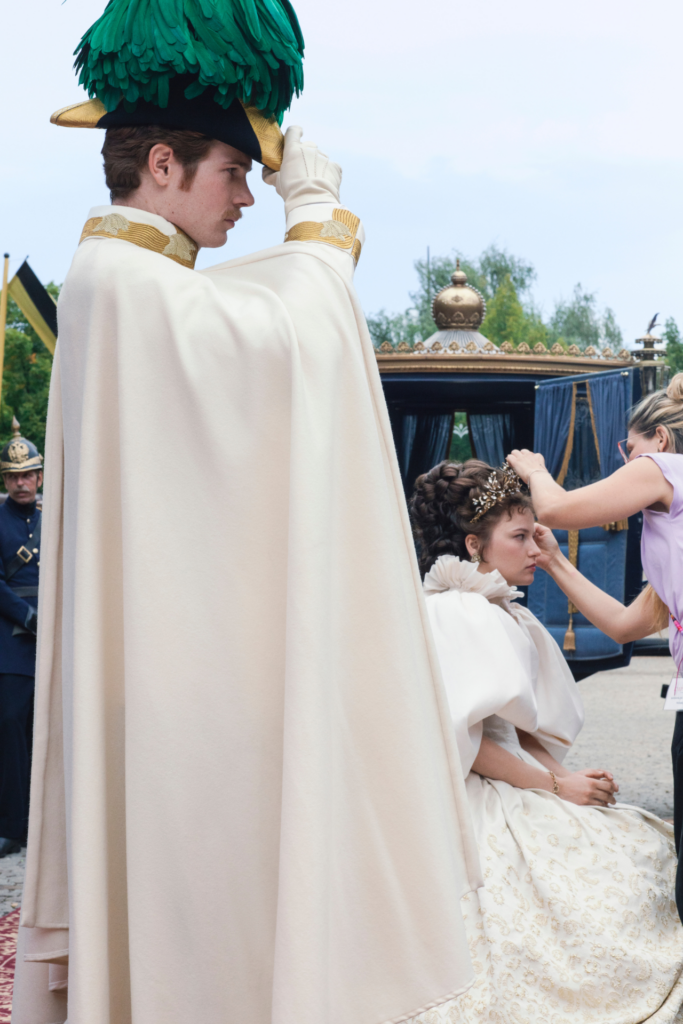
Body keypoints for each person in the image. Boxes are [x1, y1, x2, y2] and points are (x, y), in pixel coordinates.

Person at [12, 1, 480, 1022]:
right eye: (234, 173)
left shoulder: (135, 279)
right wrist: (314, 215)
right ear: (166, 165)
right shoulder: (129, 281)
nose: (244, 202)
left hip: (178, 693)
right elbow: (282, 347)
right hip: (187, 713)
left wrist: (304, 246)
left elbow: (251, 337)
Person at [409, 458, 683, 1020]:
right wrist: (557, 787)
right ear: (473, 544)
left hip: (512, 772)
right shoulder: (461, 612)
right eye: (520, 537)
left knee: (635, 850)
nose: (537, 548)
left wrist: (567, 779)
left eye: (538, 534)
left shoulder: (497, 609)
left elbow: (515, 726)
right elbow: (466, 736)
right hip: (478, 783)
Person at [507, 372, 683, 922]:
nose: (622, 465)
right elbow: (627, 624)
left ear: (661, 441)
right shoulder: (671, 540)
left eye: (626, 451)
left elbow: (556, 508)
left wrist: (536, 471)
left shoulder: (664, 469)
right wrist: (556, 560)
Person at [0, 418, 42, 858]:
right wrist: (30, 616)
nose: (21, 482)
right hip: (14, 639)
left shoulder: (57, 517)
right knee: (12, 723)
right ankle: (14, 825)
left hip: (60, 636)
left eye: (27, 473)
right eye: (13, 476)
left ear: (39, 476)